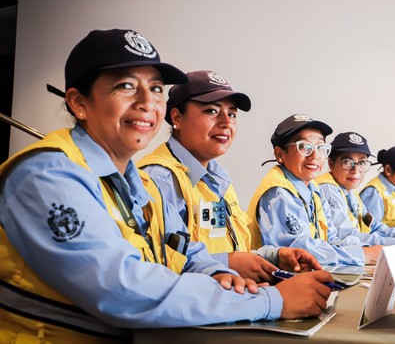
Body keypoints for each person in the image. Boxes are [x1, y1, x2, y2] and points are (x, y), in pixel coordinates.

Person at [0, 29, 332, 343]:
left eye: (156, 88)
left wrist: (217, 273)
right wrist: (270, 300)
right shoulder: (48, 175)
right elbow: (120, 288)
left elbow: (185, 251)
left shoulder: (139, 182)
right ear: (78, 103)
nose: (147, 102)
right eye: (126, 86)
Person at [139, 70, 322, 283]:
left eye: (232, 114)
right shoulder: (159, 179)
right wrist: (227, 263)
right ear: (177, 118)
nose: (226, 122)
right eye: (211, 111)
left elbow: (231, 248)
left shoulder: (216, 179)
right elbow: (155, 267)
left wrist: (275, 256)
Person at [247, 114, 382, 266]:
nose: (315, 156)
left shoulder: (313, 189)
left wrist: (367, 250)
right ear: (280, 154)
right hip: (277, 281)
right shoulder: (278, 193)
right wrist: (363, 255)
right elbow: (300, 253)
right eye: (304, 147)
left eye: (321, 147)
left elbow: (332, 238)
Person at [317, 131, 395, 248]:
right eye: (347, 162)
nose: (356, 170)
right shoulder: (328, 189)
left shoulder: (350, 193)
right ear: (330, 164)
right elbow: (345, 234)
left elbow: (373, 226)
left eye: (362, 162)